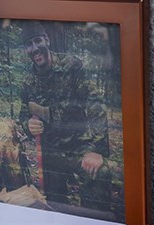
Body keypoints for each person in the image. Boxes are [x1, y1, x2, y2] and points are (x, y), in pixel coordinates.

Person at [19, 21, 113, 214]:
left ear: (47, 40)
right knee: (54, 207)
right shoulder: (27, 81)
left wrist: (96, 150)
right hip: (50, 151)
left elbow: (94, 104)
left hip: (80, 144)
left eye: (38, 41)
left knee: (99, 173)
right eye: (29, 44)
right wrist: (28, 124)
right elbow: (23, 114)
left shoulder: (72, 65)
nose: (35, 48)